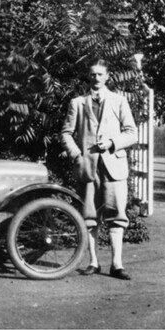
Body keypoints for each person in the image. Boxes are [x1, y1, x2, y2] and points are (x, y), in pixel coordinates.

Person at [61, 59, 138, 280]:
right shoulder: (77, 103)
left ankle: (117, 265)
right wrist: (77, 155)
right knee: (89, 216)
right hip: (88, 167)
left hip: (114, 167)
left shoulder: (119, 101)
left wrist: (113, 142)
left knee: (116, 215)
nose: (96, 78)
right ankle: (93, 262)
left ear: (107, 76)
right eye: (92, 74)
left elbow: (132, 133)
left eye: (100, 74)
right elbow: (65, 133)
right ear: (88, 76)